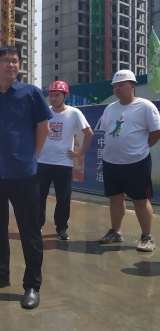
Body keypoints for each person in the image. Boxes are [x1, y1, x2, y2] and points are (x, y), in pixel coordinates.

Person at [0, 46, 52, 310]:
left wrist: (33, 155)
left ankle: (32, 285)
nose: (12, 65)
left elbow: (43, 128)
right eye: (6, 60)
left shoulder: (31, 93)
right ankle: (0, 274)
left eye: (15, 61)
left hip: (23, 173)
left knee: (29, 230)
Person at [98, 70, 160, 252]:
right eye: (115, 86)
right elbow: (107, 132)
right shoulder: (110, 108)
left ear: (132, 85)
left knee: (140, 200)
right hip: (111, 161)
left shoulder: (145, 106)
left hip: (137, 162)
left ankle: (147, 237)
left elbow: (156, 132)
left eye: (121, 85)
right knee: (115, 198)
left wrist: (140, 148)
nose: (117, 88)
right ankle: (115, 232)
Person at [37, 81, 93, 241]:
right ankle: (37, 225)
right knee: (39, 196)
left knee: (63, 197)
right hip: (42, 161)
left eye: (57, 95)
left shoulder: (74, 113)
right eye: (51, 95)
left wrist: (80, 152)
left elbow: (89, 133)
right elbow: (35, 131)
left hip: (63, 162)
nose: (53, 98)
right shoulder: (44, 112)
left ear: (65, 96)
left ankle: (61, 228)